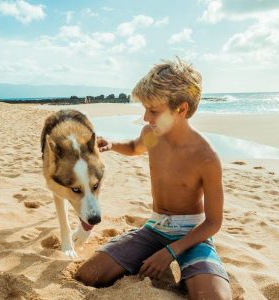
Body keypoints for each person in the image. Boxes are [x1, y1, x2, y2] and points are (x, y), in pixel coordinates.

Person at [74, 58, 231, 300]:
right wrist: (113, 144)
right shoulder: (152, 134)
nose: (146, 117)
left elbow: (213, 223)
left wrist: (170, 252)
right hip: (155, 228)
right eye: (145, 109)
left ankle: (187, 265)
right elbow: (135, 147)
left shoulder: (206, 157)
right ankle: (139, 255)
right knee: (88, 275)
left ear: (181, 109)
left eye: (154, 111)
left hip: (191, 235)